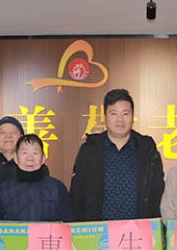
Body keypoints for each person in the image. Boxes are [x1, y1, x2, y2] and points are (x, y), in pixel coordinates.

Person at [70, 88, 164, 221]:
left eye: (125, 113)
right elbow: (77, 195)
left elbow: (157, 194)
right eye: (114, 114)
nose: (120, 119)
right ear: (104, 117)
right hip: (98, 230)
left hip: (138, 230)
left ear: (133, 117)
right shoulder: (89, 151)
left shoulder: (147, 150)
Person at [0, 134, 75, 222]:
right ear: (16, 158)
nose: (30, 158)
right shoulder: (2, 190)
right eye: (24, 153)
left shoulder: (57, 188)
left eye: (35, 153)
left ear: (43, 158)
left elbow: (68, 224)